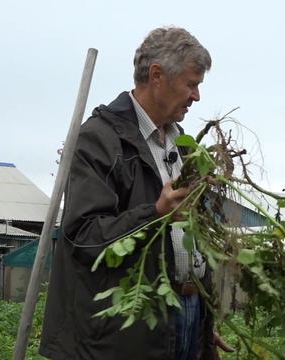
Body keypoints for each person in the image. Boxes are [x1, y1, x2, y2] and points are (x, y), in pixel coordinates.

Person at [40, 26, 232, 359]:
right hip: (125, 335)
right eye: (192, 84)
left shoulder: (181, 144)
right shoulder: (100, 139)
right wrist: (155, 213)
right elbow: (84, 237)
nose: (197, 97)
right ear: (157, 75)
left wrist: (199, 322)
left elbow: (190, 244)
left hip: (183, 319)